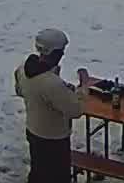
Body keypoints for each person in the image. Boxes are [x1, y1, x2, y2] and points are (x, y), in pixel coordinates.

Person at [14, 27, 81, 182]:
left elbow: (21, 91)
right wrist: (82, 90)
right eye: (61, 51)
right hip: (54, 139)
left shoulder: (23, 69)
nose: (63, 55)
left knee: (38, 172)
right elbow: (76, 110)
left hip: (33, 131)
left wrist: (58, 86)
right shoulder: (51, 83)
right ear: (55, 54)